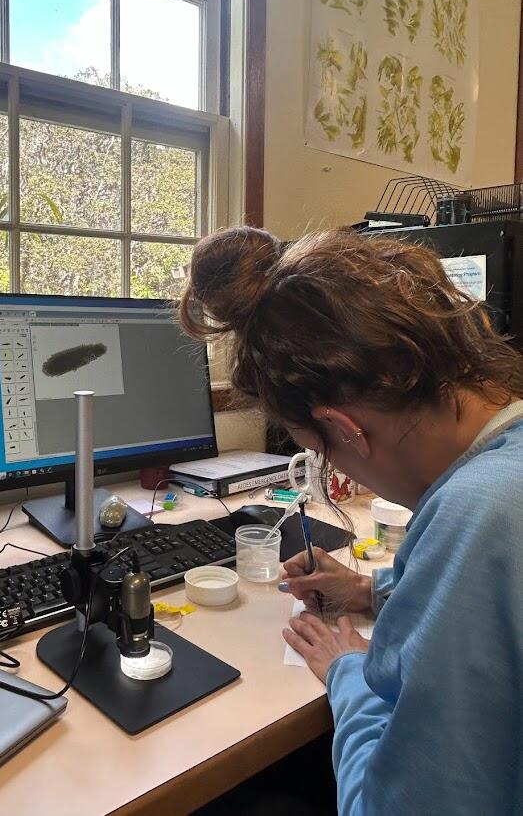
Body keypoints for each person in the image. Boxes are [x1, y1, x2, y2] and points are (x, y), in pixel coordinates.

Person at [179, 225, 523, 816]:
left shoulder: (480, 516)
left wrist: (348, 675)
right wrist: (370, 590)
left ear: (346, 429)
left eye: (321, 449)